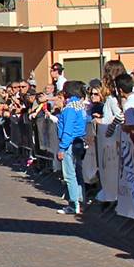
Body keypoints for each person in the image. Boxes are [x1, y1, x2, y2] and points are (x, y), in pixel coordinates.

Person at [56, 80, 88, 215]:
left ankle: (74, 204)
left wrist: (62, 148)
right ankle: (81, 201)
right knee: (78, 173)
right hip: (79, 142)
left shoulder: (70, 108)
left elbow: (68, 130)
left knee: (70, 175)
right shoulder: (80, 106)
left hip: (70, 143)